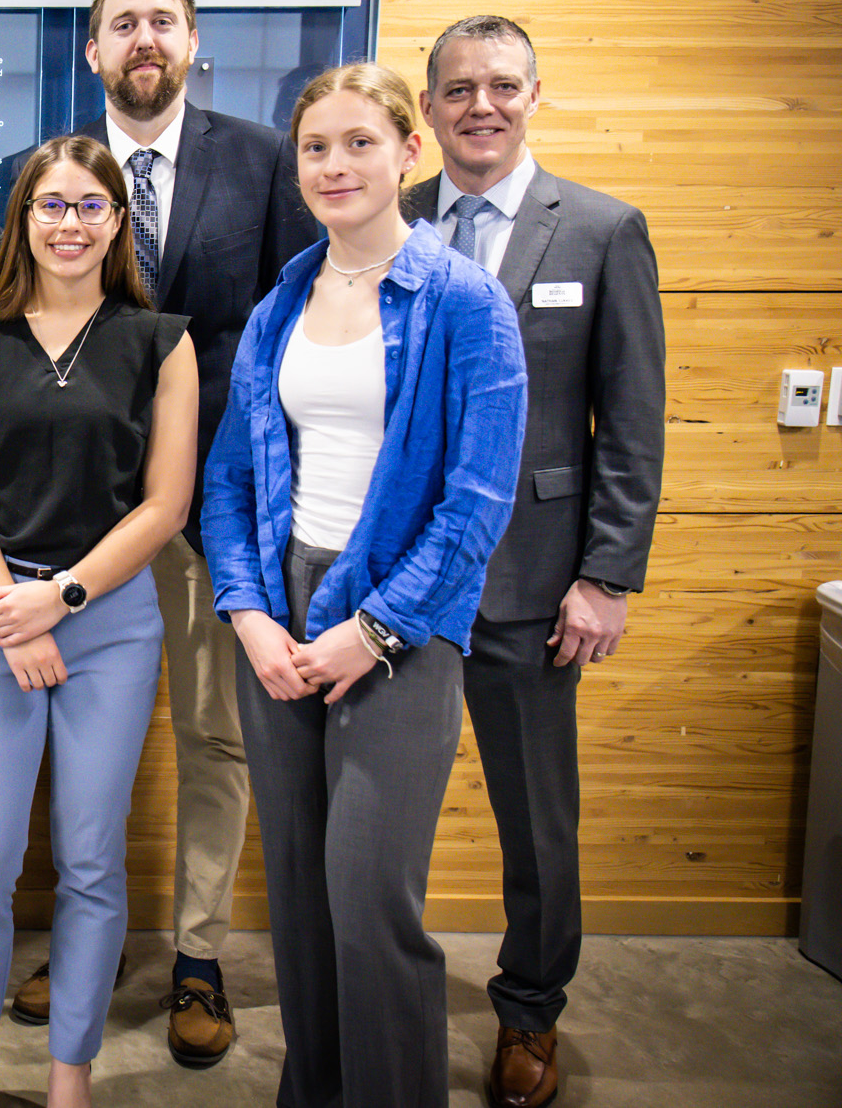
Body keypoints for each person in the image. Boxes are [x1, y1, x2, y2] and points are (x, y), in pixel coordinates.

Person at [202, 63, 528, 1108]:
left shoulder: (464, 304)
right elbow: (229, 480)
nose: (333, 164)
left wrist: (375, 630)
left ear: (408, 152)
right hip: (280, 611)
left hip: (403, 620)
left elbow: (476, 501)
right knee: (295, 895)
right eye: (314, 147)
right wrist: (247, 611)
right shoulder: (281, 301)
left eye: (356, 142)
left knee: (365, 899)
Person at [9, 0, 314, 1060]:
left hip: (212, 510)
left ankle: (197, 954)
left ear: (192, 44)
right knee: (71, 739)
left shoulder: (265, 162)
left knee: (211, 736)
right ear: (88, 51)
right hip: (71, 520)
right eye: (120, 24)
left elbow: (289, 326)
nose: (143, 39)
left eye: (162, 23)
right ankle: (82, 945)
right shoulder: (37, 171)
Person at [412, 16, 665, 1108]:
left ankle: (529, 1014)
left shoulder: (601, 231)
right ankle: (381, 987)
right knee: (381, 808)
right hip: (400, 582)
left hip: (528, 582)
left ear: (533, 96)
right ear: (425, 107)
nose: (481, 104)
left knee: (534, 818)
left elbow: (633, 418)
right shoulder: (388, 215)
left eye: (501, 86)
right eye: (459, 87)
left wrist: (605, 576)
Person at [0, 135, 198, 1108]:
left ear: (118, 221)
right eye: (50, 205)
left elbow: (164, 504)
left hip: (110, 624)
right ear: (22, 219)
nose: (69, 224)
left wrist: (65, 596)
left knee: (89, 857)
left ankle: (69, 1072)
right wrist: (17, 609)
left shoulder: (161, 337)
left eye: (90, 206)